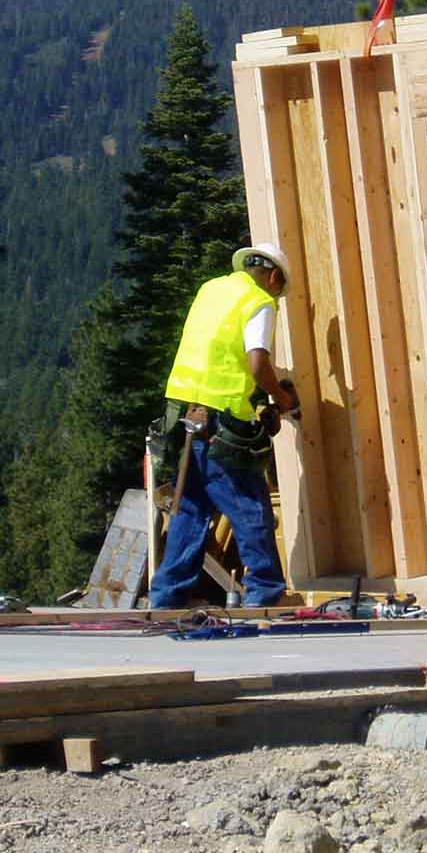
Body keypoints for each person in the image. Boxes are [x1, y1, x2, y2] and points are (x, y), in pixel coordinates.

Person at [148, 242, 298, 609]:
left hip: (188, 414)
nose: (277, 297)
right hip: (223, 421)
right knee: (249, 506)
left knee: (192, 510)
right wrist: (282, 399)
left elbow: (219, 353)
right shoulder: (258, 302)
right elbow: (256, 363)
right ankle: (264, 595)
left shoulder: (212, 290)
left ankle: (165, 599)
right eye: (280, 290)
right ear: (274, 276)